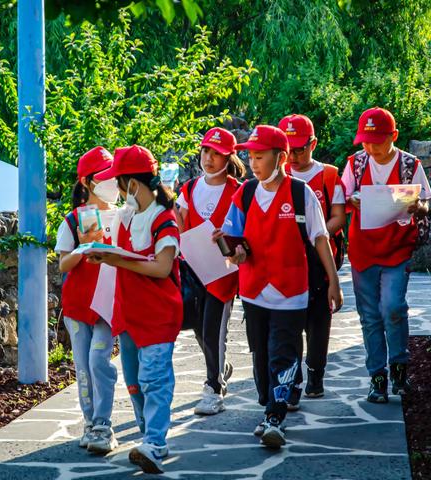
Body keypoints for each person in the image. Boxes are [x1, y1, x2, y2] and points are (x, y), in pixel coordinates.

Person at [214, 125, 343, 448]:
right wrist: (231, 250)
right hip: (255, 290)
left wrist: (333, 283)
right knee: (260, 355)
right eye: (250, 157)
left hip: (292, 291)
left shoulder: (301, 194)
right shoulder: (244, 194)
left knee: (282, 355)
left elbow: (320, 239)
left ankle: (275, 417)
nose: (253, 164)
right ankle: (269, 404)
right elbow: (234, 243)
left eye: (260, 156)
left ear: (280, 157)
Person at [87, 145, 182, 474]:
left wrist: (114, 258)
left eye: (119, 181)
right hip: (129, 315)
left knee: (154, 380)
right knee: (135, 383)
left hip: (158, 316)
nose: (113, 188)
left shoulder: (164, 219)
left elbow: (162, 267)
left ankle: (155, 442)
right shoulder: (127, 218)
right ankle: (149, 439)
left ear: (132, 184)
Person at [341, 107, 431, 403]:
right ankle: (377, 377)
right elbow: (343, 197)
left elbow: (427, 202)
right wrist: (353, 199)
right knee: (369, 316)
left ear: (393, 136)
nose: (370, 147)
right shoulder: (355, 164)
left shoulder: (409, 164)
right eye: (365, 141)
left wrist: (417, 205)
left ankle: (400, 369)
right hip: (363, 250)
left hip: (397, 249)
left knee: (393, 307)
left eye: (377, 141)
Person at [175, 127, 246, 415]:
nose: (209, 158)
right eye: (206, 151)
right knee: (199, 329)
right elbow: (178, 220)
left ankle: (213, 387)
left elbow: (244, 234)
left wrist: (233, 245)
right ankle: (220, 366)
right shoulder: (190, 188)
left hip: (223, 272)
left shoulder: (238, 191)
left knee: (215, 328)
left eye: (217, 154)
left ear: (229, 158)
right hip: (194, 270)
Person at [55, 146, 120, 454]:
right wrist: (83, 248)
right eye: (104, 176)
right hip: (79, 307)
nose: (111, 182)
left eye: (114, 175)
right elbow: (63, 264)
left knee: (98, 360)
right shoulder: (73, 220)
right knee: (83, 367)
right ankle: (90, 423)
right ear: (87, 182)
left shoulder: (124, 216)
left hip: (108, 305)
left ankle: (104, 424)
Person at [278, 114, 346, 401]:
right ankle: (290, 379)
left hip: (320, 259)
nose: (293, 156)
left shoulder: (329, 175)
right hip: (286, 258)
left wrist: (313, 235)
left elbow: (339, 218)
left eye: (300, 149)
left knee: (318, 320)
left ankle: (315, 372)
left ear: (313, 144)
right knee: (289, 321)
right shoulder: (276, 176)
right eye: (287, 150)